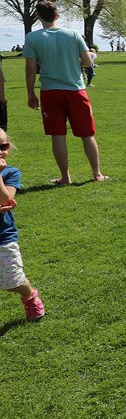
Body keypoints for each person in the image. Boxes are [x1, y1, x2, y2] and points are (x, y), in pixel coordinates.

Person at [23, 0, 108, 185]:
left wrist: (30, 94)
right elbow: (87, 62)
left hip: (50, 91)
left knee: (58, 135)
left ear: (38, 16)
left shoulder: (32, 38)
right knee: (87, 134)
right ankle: (97, 174)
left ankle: (65, 177)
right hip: (76, 90)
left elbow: (30, 69)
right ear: (57, 15)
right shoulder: (73, 34)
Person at [0, 128, 44, 322]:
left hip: (3, 237)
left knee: (12, 281)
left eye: (3, 146)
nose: (1, 151)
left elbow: (5, 199)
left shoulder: (10, 173)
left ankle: (29, 295)